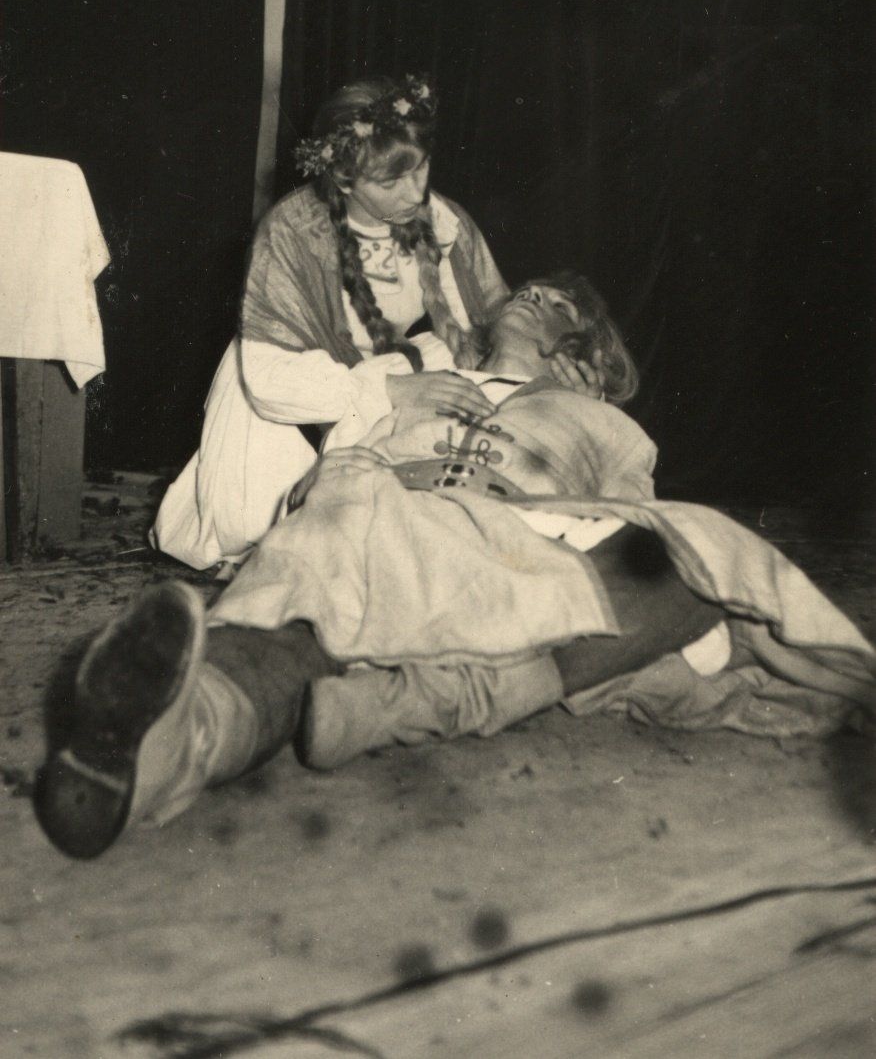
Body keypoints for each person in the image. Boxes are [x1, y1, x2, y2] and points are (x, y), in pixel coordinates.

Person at [35, 273, 875, 859]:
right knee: (331, 532)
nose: (532, 295)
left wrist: (570, 449)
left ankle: (427, 699)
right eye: (529, 288)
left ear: (584, 354)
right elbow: (315, 476)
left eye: (557, 303)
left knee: (691, 544)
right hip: (395, 531)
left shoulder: (606, 422)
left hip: (520, 550)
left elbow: (629, 519)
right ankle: (178, 742)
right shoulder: (422, 378)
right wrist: (375, 423)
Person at [151, 77, 598, 571]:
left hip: (381, 379)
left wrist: (569, 385)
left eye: (421, 167)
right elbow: (268, 380)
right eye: (390, 182)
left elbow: (498, 330)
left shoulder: (444, 222)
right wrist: (388, 390)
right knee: (252, 530)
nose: (417, 191)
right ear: (344, 180)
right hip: (286, 388)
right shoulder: (292, 230)